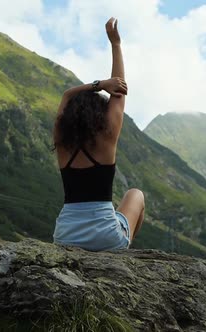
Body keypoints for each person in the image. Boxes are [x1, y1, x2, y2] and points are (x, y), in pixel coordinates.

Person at [52, 17, 144, 251]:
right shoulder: (106, 136)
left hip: (65, 236)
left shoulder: (61, 140)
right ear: (99, 115)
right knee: (135, 194)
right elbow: (120, 94)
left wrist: (98, 84)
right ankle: (124, 252)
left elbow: (66, 95)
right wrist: (116, 45)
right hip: (107, 238)